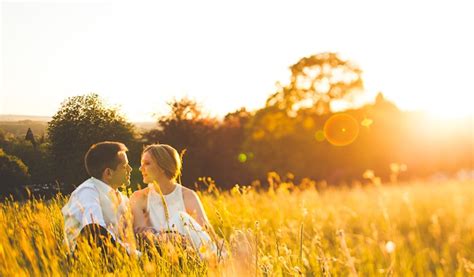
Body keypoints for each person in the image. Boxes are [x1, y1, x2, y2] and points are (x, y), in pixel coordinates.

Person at [130, 144, 219, 258]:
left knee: (181, 218)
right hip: (161, 253)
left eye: (147, 163)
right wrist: (167, 237)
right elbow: (141, 234)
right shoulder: (139, 197)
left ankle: (217, 260)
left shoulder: (187, 195)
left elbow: (204, 232)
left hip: (189, 254)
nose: (141, 168)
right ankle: (217, 260)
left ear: (162, 167)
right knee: (180, 218)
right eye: (141, 164)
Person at [61, 141, 137, 256]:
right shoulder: (87, 191)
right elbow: (95, 234)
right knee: (94, 230)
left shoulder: (124, 199)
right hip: (84, 257)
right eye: (125, 166)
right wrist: (137, 255)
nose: (130, 169)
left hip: (114, 256)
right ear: (108, 173)